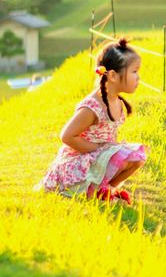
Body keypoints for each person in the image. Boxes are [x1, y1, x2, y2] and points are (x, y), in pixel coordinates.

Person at [38, 37, 147, 204]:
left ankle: (107, 189)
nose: (138, 77)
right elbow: (67, 136)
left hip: (99, 156)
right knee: (122, 158)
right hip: (78, 163)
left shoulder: (117, 102)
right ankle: (94, 191)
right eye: (134, 72)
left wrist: (105, 150)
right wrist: (97, 149)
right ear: (112, 76)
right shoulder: (92, 107)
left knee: (137, 158)